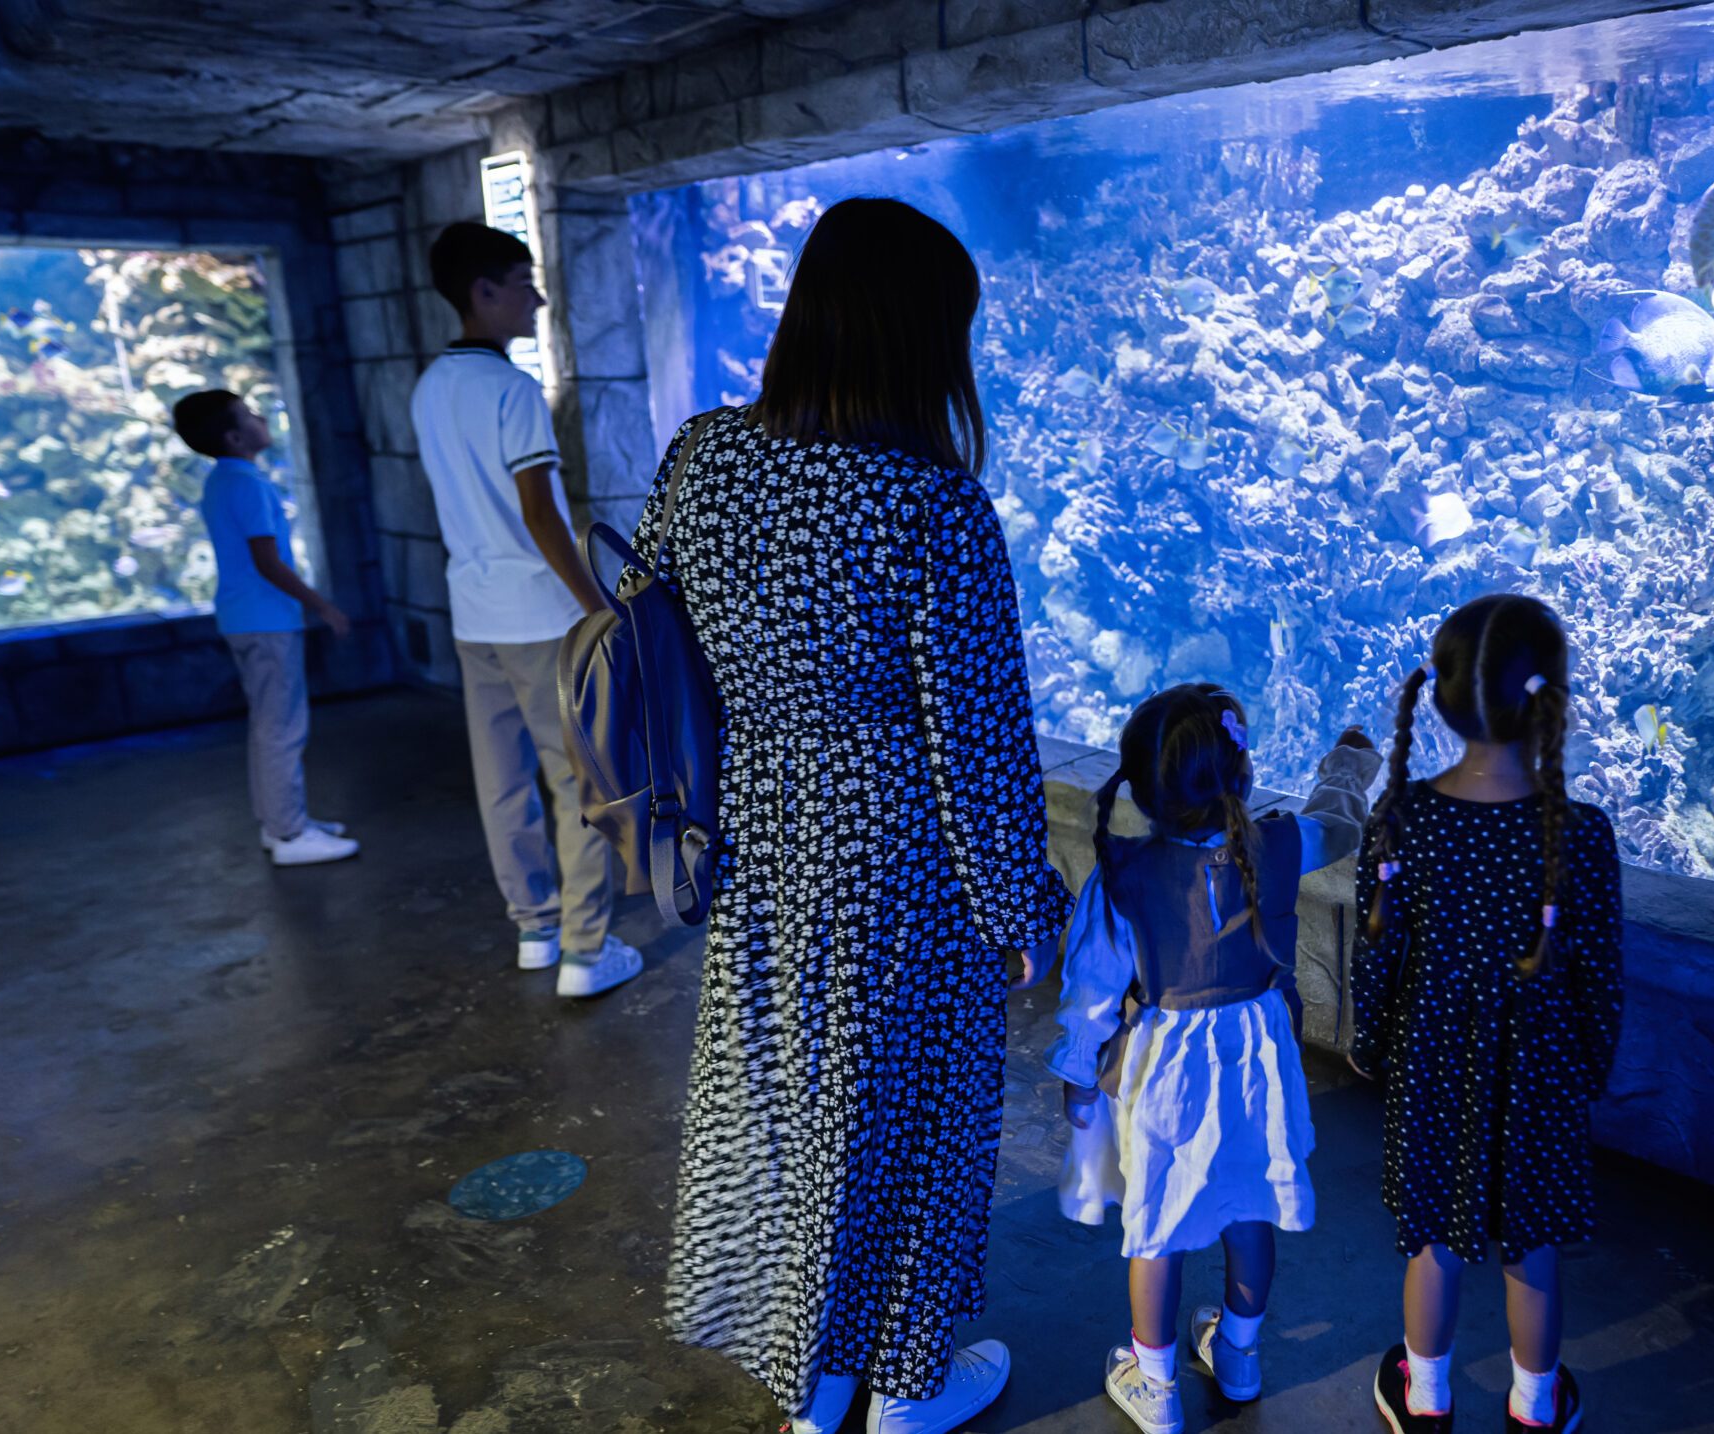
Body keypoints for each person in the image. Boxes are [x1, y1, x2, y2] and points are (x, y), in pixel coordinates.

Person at [637, 198, 1070, 1434]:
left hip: (760, 835)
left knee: (793, 1112)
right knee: (908, 1120)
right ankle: (895, 1388)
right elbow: (981, 747)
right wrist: (1022, 908)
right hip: (901, 861)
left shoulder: (702, 456)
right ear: (920, 337)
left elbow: (642, 616)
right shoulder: (934, 508)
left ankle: (809, 1383)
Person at [1048, 685, 1379, 1434]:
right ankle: (1238, 1352)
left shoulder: (1123, 874)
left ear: (1141, 791)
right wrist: (1348, 768)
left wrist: (1078, 1076)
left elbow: (1093, 991)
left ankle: (1155, 1382)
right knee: (1250, 1207)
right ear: (1244, 772)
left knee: (1158, 1226)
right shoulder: (1281, 845)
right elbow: (1340, 822)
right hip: (1261, 1068)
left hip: (1162, 1073)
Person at [1351, 594, 1625, 1434]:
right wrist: (1592, 1065)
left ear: (1437, 698)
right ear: (1551, 701)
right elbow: (1601, 978)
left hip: (1431, 1061)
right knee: (1530, 1245)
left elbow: (1377, 954)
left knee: (1432, 1237)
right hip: (1540, 1072)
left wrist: (1370, 1043)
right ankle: (1536, 1406)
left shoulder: (1404, 819)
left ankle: (1424, 1398)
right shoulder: (1578, 832)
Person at [410, 221, 640, 998]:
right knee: (577, 780)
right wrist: (599, 603)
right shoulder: (508, 390)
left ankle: (534, 929)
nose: (536, 298)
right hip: (539, 619)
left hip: (472, 614)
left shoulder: (430, 387)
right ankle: (586, 950)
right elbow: (540, 512)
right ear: (482, 292)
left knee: (500, 780)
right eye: (522, 282)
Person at [174, 389, 358, 868]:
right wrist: (322, 606)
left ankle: (278, 821)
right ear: (236, 437)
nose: (261, 418)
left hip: (242, 618)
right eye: (250, 415)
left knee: (267, 724)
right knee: (283, 727)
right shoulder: (251, 486)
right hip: (267, 619)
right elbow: (268, 562)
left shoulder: (220, 482)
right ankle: (290, 833)